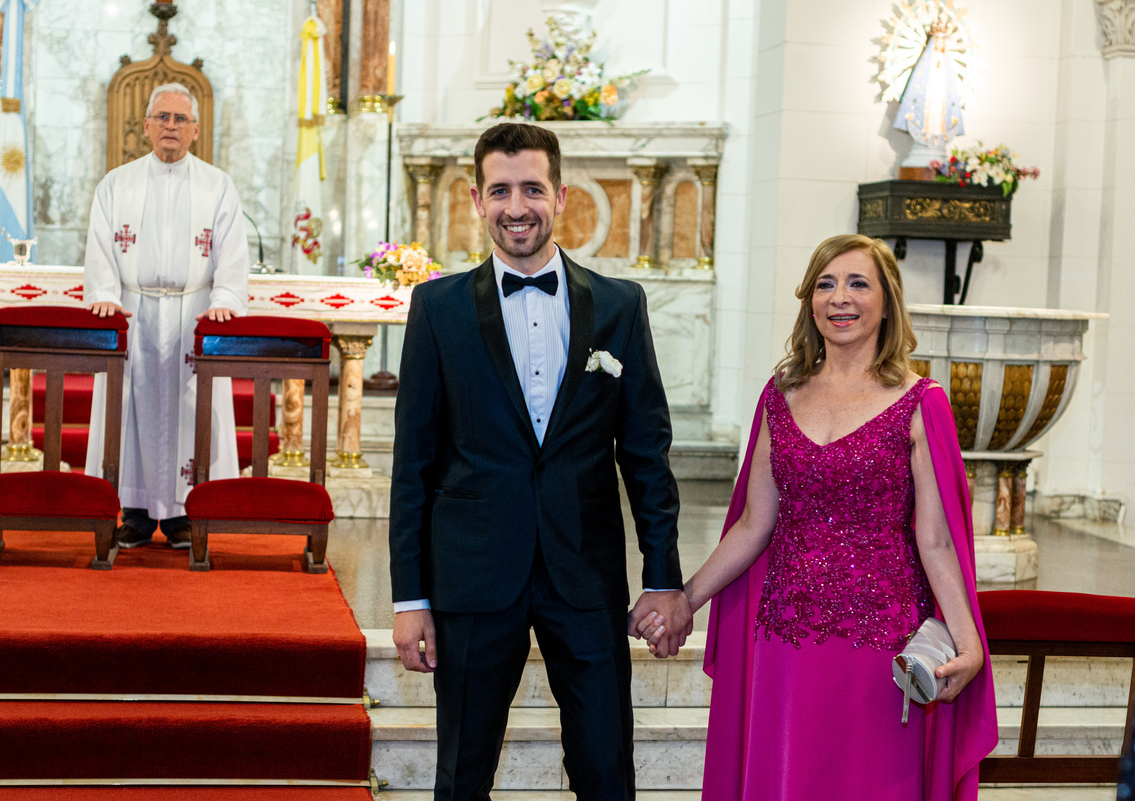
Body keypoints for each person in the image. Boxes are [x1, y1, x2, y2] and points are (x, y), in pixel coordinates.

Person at [389, 122, 693, 801]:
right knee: (463, 772)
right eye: (500, 190)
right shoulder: (437, 308)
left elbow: (647, 454)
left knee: (605, 767)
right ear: (476, 198)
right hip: (470, 574)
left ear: (560, 194)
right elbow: (413, 462)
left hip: (583, 573)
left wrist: (665, 576)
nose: (516, 206)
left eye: (531, 188)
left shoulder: (618, 306)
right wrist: (410, 597)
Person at [638, 234, 998, 800]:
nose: (840, 298)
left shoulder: (921, 402)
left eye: (858, 283)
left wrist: (969, 644)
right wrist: (687, 597)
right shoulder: (780, 393)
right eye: (826, 284)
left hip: (880, 640)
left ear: (887, 301)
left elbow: (936, 541)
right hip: (785, 636)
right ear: (810, 302)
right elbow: (755, 522)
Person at [82, 82, 248, 548]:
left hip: (195, 313)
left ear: (195, 129)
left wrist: (226, 300)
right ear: (147, 126)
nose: (170, 126)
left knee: (189, 409)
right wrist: (103, 293)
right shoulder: (117, 183)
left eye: (180, 119)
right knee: (129, 407)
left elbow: (233, 254)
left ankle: (182, 515)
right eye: (162, 118)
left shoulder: (218, 186)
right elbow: (99, 247)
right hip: (133, 313)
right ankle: (134, 513)